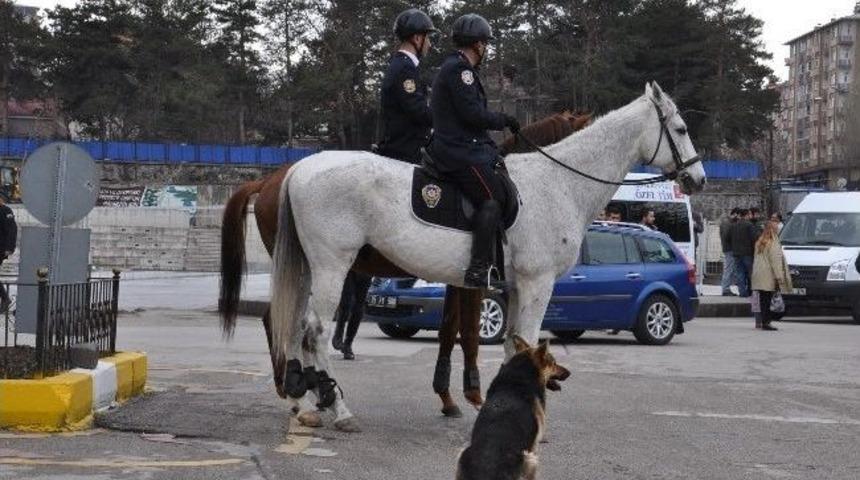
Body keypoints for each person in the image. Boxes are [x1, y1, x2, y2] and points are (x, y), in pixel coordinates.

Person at [427, 13, 520, 287]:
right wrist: (504, 120)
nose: (486, 48)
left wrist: (491, 147)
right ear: (478, 44)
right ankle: (479, 268)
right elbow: (473, 115)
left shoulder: (457, 68)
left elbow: (468, 122)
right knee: (493, 197)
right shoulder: (461, 70)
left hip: (462, 146)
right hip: (457, 152)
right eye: (485, 43)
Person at [376, 8, 437, 164]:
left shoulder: (403, 64)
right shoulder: (405, 68)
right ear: (417, 38)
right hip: (407, 150)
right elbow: (418, 110)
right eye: (428, 38)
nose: (429, 44)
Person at [751, 220, 792, 331]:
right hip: (768, 275)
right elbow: (776, 262)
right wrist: (779, 277)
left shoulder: (759, 241)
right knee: (768, 299)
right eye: (777, 229)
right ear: (774, 230)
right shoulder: (773, 243)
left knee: (762, 299)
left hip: (759, 274)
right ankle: (766, 322)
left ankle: (762, 321)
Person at [331, 271, 372, 360]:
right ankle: (338, 335)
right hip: (351, 269)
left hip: (367, 270)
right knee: (346, 302)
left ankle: (348, 344)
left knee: (359, 308)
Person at [730, 208, 756, 297]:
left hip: (736, 253)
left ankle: (742, 292)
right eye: (749, 214)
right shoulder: (749, 225)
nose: (750, 216)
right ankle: (751, 291)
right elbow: (754, 238)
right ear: (747, 215)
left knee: (739, 273)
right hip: (747, 253)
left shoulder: (734, 225)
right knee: (750, 273)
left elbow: (729, 238)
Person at [0, 190, 16, 312]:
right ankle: (5, 298)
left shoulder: (6, 211)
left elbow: (12, 230)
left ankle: (5, 298)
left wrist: (9, 248)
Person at [719, 208, 740, 296]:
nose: (739, 218)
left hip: (728, 248)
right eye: (738, 216)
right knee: (729, 269)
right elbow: (727, 236)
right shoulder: (728, 223)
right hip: (730, 249)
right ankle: (726, 289)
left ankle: (726, 288)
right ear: (735, 214)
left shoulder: (726, 222)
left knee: (730, 269)